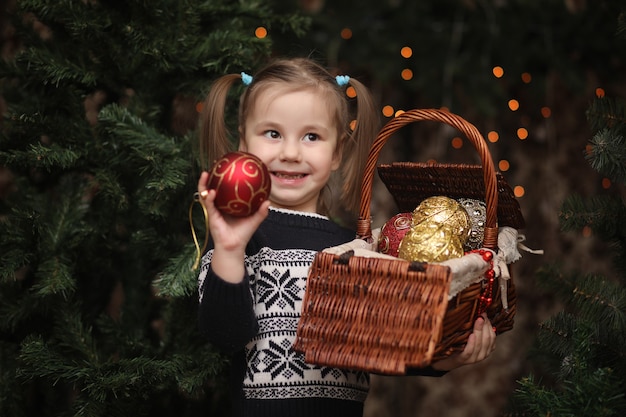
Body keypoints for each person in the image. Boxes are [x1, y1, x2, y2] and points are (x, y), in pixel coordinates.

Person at [195, 57, 496, 417]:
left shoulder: (356, 247)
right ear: (244, 143)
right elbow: (223, 335)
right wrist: (229, 249)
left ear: (337, 152)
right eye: (272, 133)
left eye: (312, 136)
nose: (290, 153)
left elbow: (383, 341)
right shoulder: (239, 236)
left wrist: (445, 360)